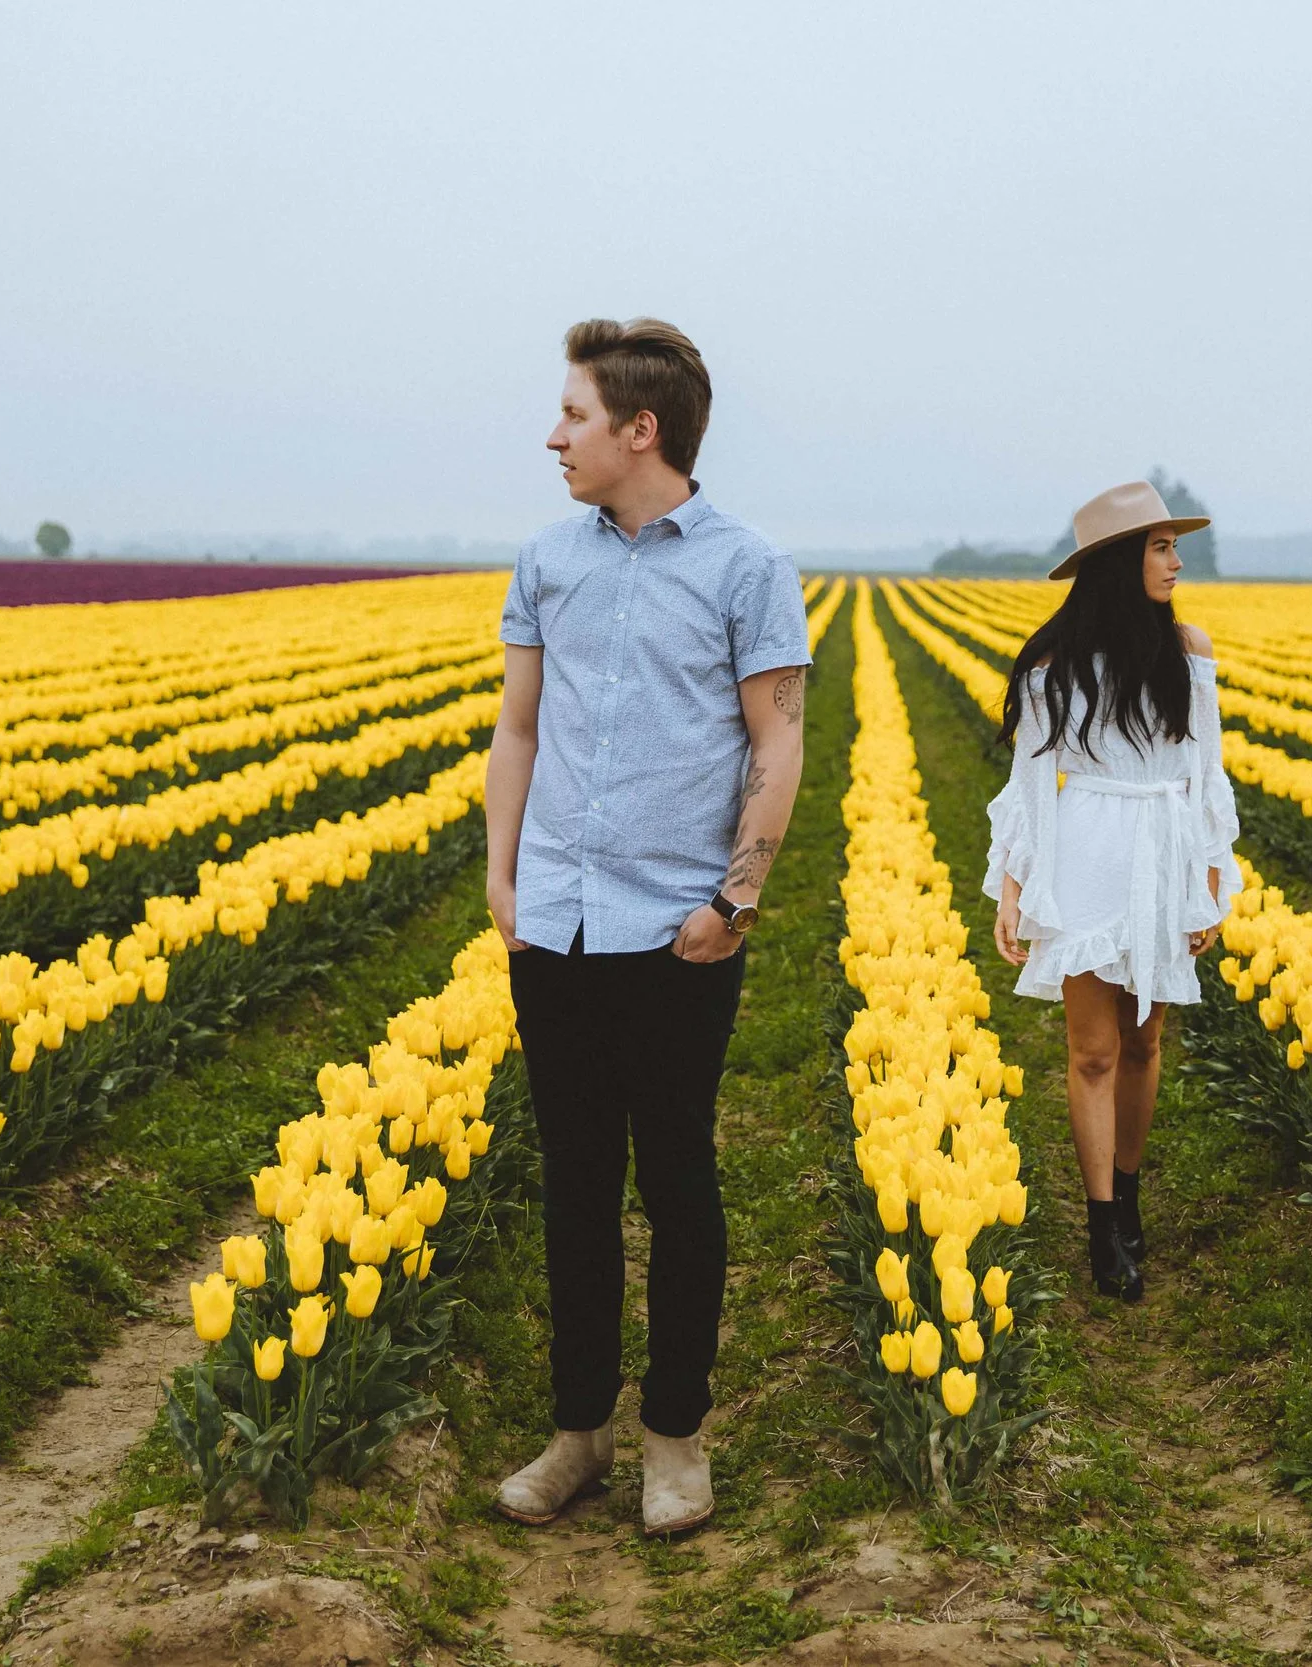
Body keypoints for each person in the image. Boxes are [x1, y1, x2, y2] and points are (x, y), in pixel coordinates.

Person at [484, 318, 811, 1535]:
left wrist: (737, 898)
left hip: (679, 930)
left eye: (573, 414)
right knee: (573, 1179)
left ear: (642, 429)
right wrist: (501, 878)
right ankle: (575, 1432)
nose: (553, 434)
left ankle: (675, 1434)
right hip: (556, 923)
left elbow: (777, 742)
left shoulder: (743, 567)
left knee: (675, 1178)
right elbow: (517, 727)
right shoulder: (546, 560)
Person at [985, 480, 1241, 1302]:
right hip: (1087, 854)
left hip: (1163, 854)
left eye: (1175, 546)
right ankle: (1102, 1227)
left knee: (1145, 1041)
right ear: (1116, 562)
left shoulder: (1189, 652)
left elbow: (1205, 775)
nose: (1176, 562)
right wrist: (1012, 887)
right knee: (1092, 1049)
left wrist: (1208, 880)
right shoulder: (1053, 666)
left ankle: (1128, 1193)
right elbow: (1028, 787)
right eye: (1160, 547)